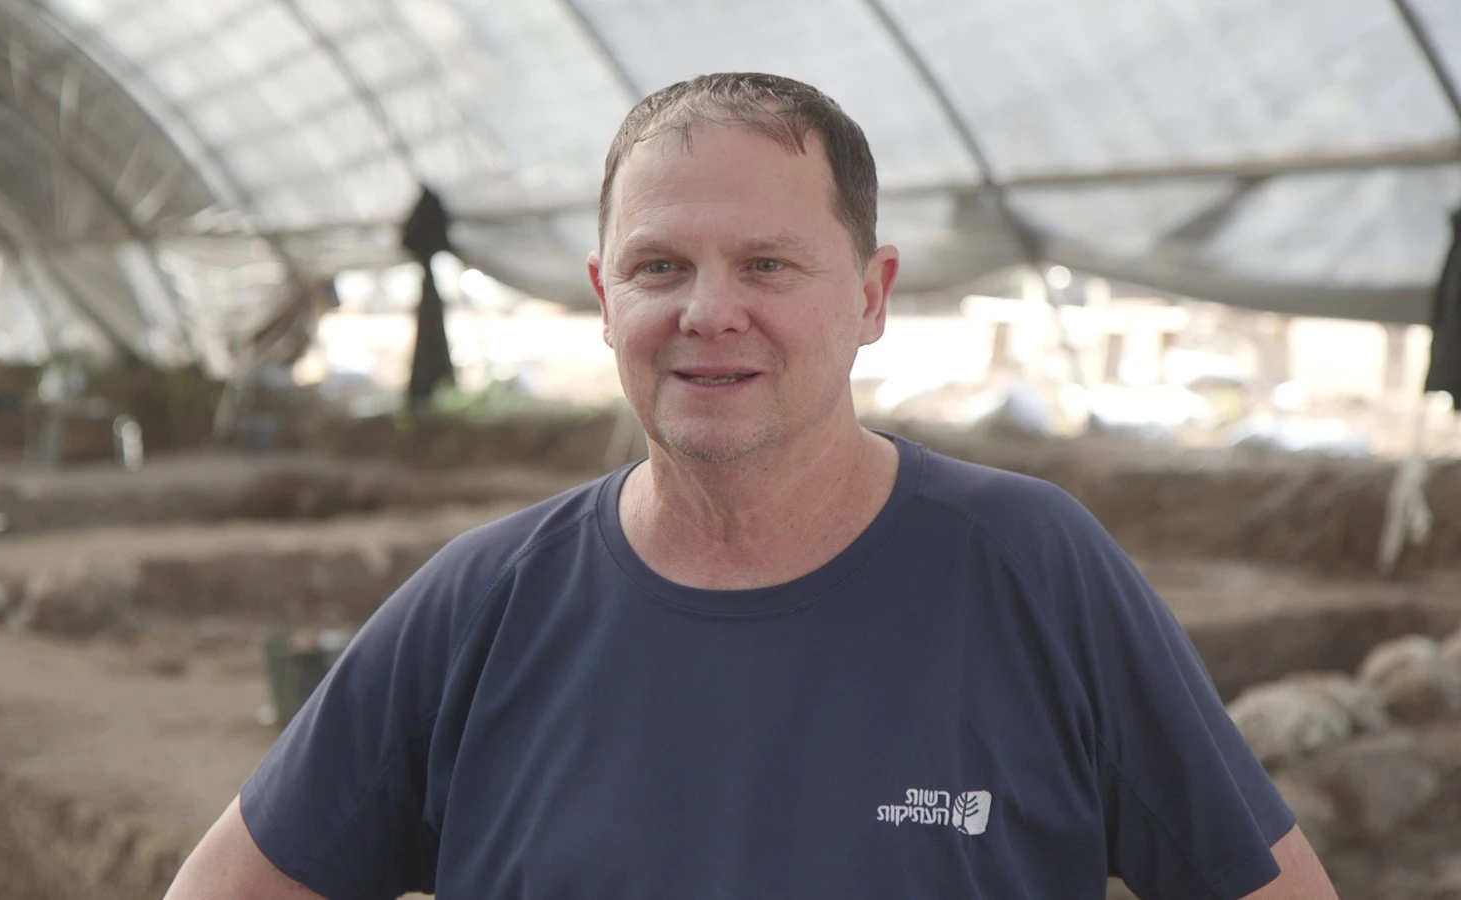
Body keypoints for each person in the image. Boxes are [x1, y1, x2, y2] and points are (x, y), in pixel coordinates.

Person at [166, 73, 1338, 899]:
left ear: (871, 295)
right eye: (658, 267)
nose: (707, 312)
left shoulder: (1031, 570)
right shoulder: (483, 604)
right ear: (602, 295)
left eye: (767, 264)